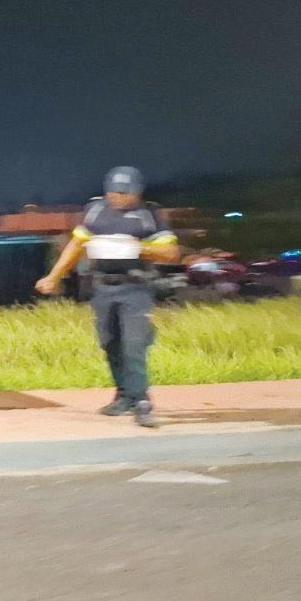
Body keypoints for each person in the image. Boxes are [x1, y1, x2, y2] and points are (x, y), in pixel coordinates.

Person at [35, 166, 181, 428]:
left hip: (136, 288)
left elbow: (171, 253)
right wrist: (53, 277)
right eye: (112, 192)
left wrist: (137, 248)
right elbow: (76, 245)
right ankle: (124, 395)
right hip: (102, 287)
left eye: (123, 193)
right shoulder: (95, 211)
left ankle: (142, 401)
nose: (116, 197)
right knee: (110, 343)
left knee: (134, 345)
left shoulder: (149, 215)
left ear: (137, 192)